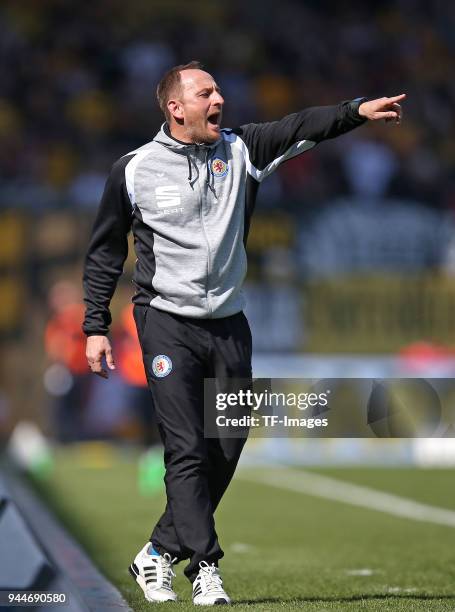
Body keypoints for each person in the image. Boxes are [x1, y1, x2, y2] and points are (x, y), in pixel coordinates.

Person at [82, 60, 405, 605]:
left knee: (225, 446)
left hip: (230, 323)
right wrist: (96, 325)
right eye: (206, 93)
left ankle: (158, 553)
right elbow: (105, 252)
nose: (220, 100)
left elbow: (302, 125)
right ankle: (205, 566)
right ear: (175, 107)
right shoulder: (133, 170)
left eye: (219, 91)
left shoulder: (242, 150)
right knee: (185, 448)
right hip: (166, 323)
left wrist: (355, 113)